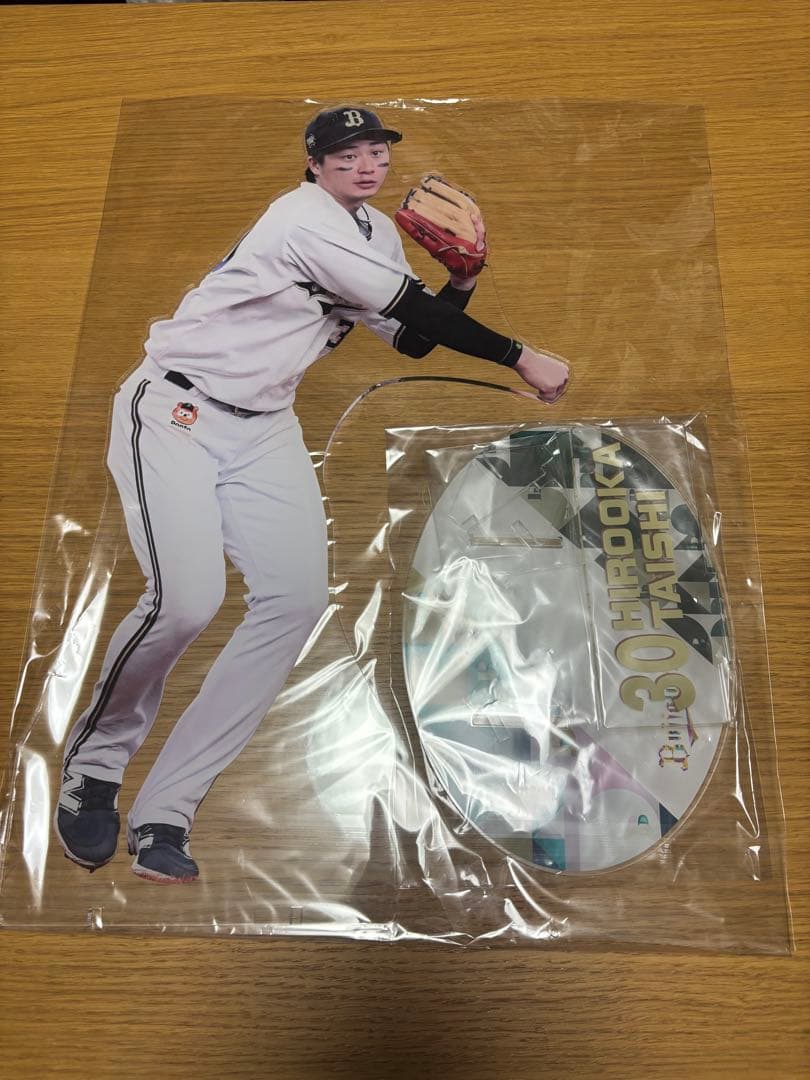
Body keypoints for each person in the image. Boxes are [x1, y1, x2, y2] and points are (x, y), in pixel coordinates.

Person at [54, 104, 570, 884]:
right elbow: (412, 310)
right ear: (314, 163)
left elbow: (413, 336)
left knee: (293, 603)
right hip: (175, 412)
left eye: (376, 152)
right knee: (186, 601)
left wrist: (463, 280)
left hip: (263, 426)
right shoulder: (298, 220)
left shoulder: (376, 233)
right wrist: (520, 355)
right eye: (346, 154)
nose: (366, 166)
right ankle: (94, 767)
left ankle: (168, 810)